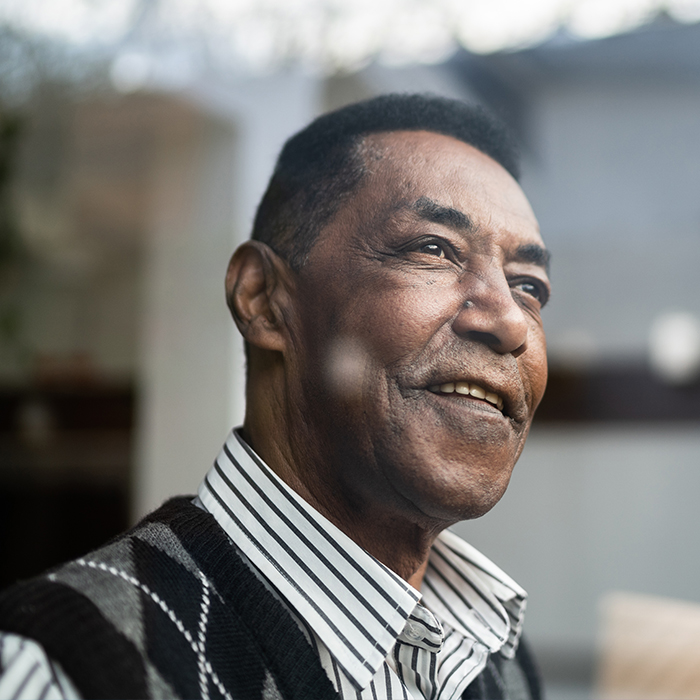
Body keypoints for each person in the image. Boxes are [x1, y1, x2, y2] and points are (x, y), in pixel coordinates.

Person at [0, 93, 550, 700]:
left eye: (529, 285)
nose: (510, 320)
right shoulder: (65, 671)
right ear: (263, 298)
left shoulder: (492, 653)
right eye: (434, 248)